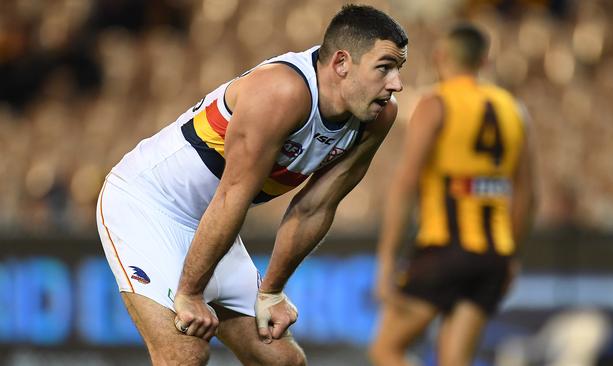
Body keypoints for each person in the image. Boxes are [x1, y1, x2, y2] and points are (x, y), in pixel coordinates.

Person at [96, 5, 407, 366]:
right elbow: (232, 195)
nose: (396, 83)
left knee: (283, 362)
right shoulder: (281, 91)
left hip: (213, 223)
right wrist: (190, 292)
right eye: (384, 67)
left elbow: (315, 207)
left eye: (399, 69)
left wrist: (272, 291)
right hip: (148, 205)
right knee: (185, 355)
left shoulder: (380, 115)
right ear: (341, 63)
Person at [369, 23, 536, 366]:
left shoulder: (436, 103)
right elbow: (528, 197)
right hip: (493, 256)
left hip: (443, 251)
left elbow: (406, 183)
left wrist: (386, 261)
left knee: (386, 349)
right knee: (455, 359)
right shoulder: (515, 110)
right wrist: (510, 257)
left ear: (439, 57)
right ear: (484, 61)